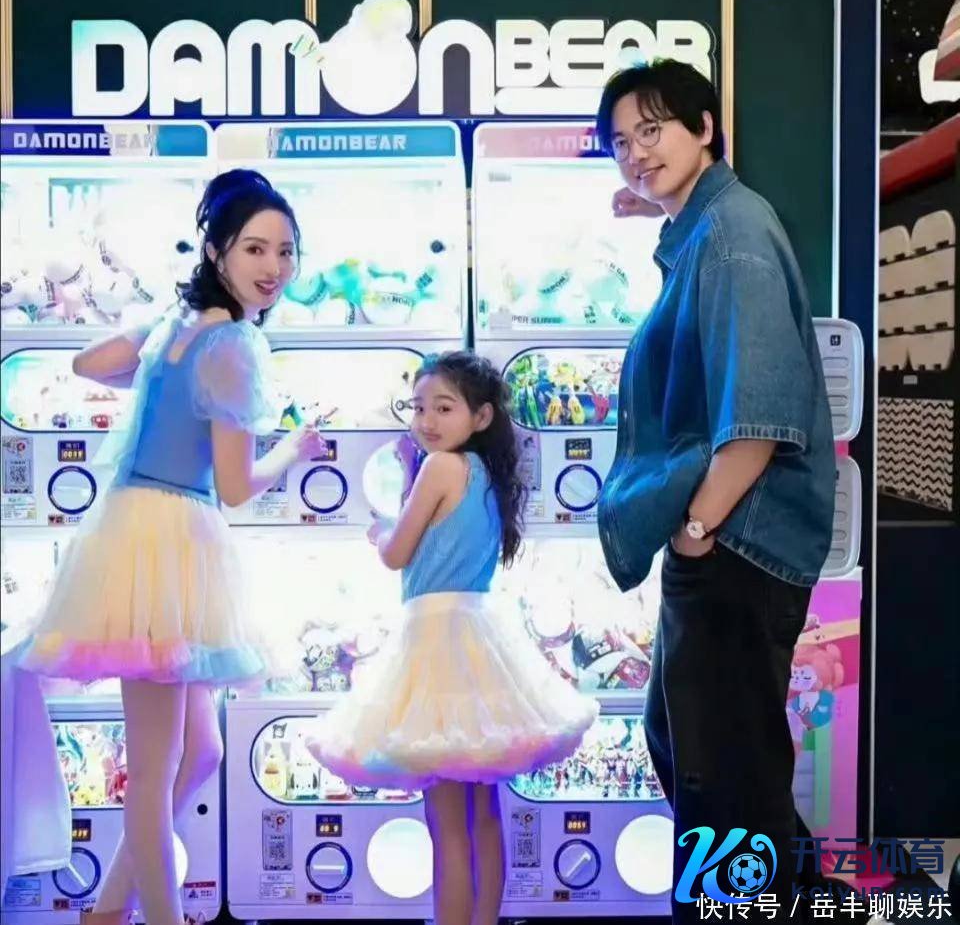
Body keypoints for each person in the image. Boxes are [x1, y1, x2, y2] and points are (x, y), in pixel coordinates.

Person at [22, 169, 326, 925]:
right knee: (155, 772)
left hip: (139, 534)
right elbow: (236, 486)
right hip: (169, 540)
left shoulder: (180, 321)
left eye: (285, 251)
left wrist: (161, 362)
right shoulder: (234, 344)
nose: (274, 267)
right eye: (255, 249)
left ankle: (105, 912)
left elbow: (87, 363)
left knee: (205, 753)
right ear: (218, 251)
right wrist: (295, 448)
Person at [595, 60, 838, 921]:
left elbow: (759, 419)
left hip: (736, 540)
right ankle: (800, 902)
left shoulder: (732, 232)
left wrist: (696, 526)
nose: (636, 152)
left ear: (705, 127)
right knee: (711, 759)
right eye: (620, 142)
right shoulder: (708, 227)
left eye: (652, 129)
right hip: (731, 539)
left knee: (722, 778)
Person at [309, 352, 597, 925]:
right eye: (418, 408)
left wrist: (380, 530)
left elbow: (397, 553)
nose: (427, 420)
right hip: (479, 641)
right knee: (483, 813)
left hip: (432, 645)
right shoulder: (487, 474)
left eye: (443, 408)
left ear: (481, 415)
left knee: (445, 823)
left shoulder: (439, 468)